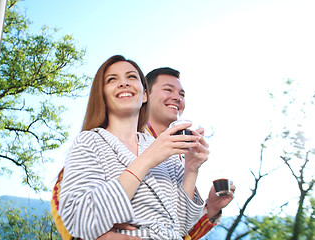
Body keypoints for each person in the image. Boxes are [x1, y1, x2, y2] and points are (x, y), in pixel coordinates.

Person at [56, 55, 208, 240]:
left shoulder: (163, 149)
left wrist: (191, 168)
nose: (124, 83)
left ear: (144, 95)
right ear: (102, 94)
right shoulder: (89, 142)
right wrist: (146, 160)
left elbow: (180, 226)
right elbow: (80, 220)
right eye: (112, 79)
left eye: (132, 77)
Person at [99, 67, 236, 240]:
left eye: (182, 94)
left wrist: (212, 208)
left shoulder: (178, 156)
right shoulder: (115, 137)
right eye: (168, 90)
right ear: (144, 95)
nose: (177, 98)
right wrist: (96, 230)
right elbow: (70, 201)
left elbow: (177, 229)